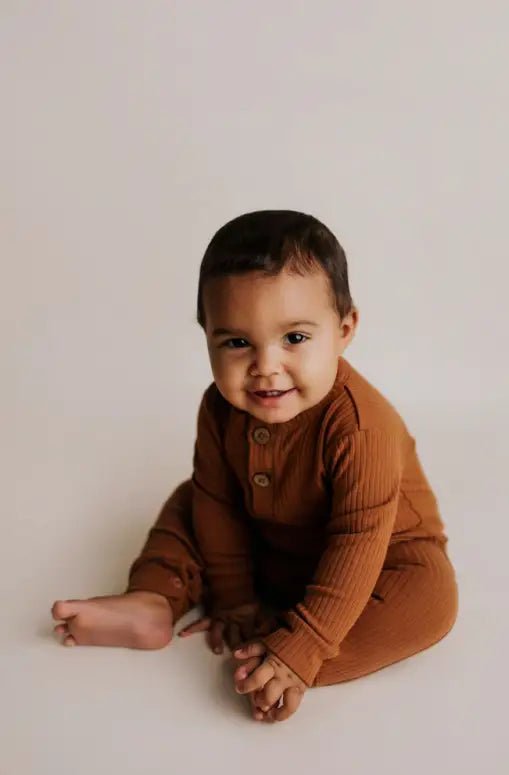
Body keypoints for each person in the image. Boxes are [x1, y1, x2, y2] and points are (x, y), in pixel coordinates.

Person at [51, 210, 459, 723]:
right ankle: (153, 598)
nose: (265, 367)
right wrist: (236, 600)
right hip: (269, 542)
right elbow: (219, 503)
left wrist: (305, 644)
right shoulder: (219, 408)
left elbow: (358, 540)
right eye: (237, 343)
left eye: (295, 339)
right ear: (207, 337)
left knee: (430, 598)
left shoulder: (360, 427)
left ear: (344, 329)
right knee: (194, 500)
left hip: (377, 556)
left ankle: (287, 661)